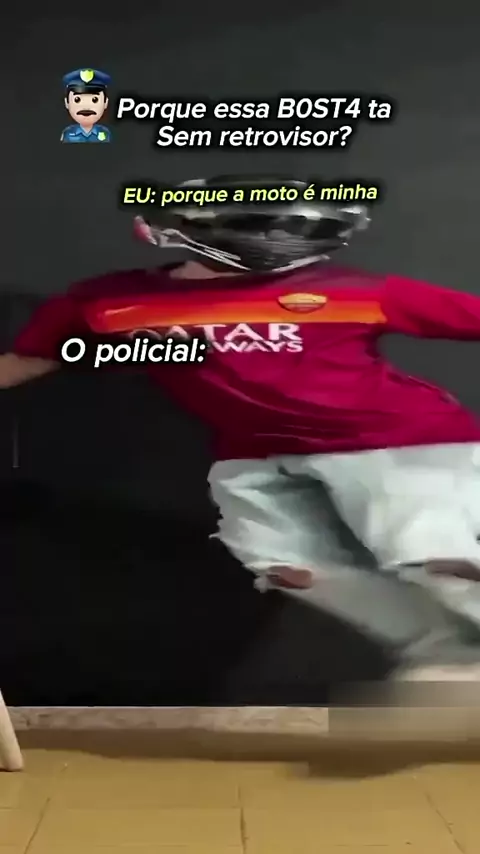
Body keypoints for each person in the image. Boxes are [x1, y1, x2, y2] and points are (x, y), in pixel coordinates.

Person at [5, 174, 480, 683]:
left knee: (434, 556)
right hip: (253, 456)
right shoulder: (109, 303)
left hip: (401, 442)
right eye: (263, 223)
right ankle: (448, 653)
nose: (279, 237)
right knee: (290, 571)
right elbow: (30, 359)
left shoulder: (352, 291)